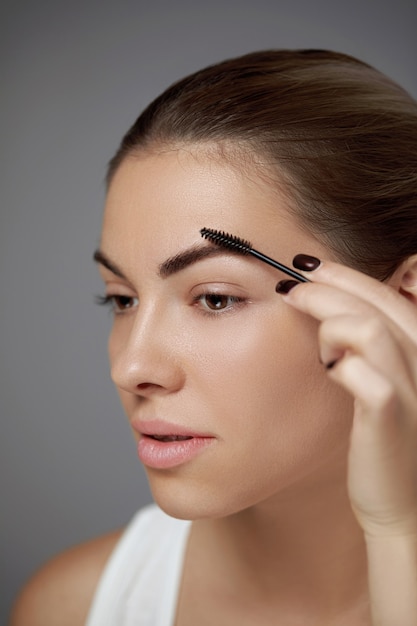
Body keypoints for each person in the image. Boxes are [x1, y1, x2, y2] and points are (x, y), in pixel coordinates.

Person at [10, 49, 417, 626]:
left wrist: (401, 535)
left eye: (216, 298)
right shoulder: (73, 609)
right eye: (122, 299)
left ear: (405, 299)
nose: (131, 368)